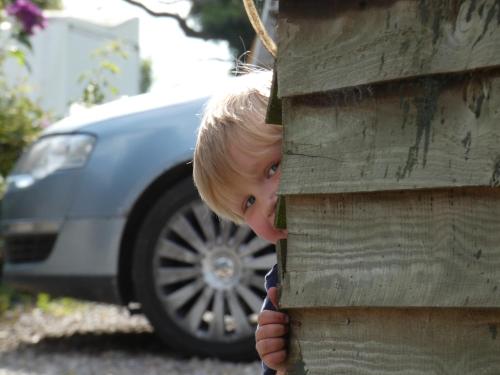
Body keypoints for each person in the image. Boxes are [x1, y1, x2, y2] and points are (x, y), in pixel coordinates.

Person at [193, 70, 289, 375]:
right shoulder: (282, 288)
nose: (268, 201)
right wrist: (276, 356)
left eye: (273, 168)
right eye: (249, 203)